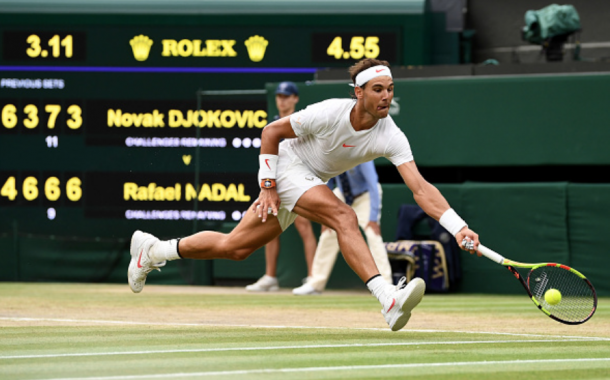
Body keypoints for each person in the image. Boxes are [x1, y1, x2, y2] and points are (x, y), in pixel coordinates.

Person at [128, 58, 481, 332]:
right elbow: (270, 132)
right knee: (345, 216)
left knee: (235, 247)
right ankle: (387, 299)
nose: (386, 96)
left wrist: (457, 226)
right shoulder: (328, 112)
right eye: (377, 89)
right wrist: (267, 186)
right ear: (358, 92)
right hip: (286, 167)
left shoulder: (391, 135)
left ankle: (154, 250)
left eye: (389, 88)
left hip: (311, 178)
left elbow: (420, 188)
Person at [245, 81, 318, 291]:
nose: (282, 100)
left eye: (287, 96)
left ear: (295, 99)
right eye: (279, 96)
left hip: (299, 182)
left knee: (304, 227)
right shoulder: (273, 124)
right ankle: (270, 277)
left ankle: (313, 277)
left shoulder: (302, 121)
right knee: (269, 228)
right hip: (274, 184)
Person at [293, 161, 393, 295]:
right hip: (342, 195)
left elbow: (373, 183)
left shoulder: (362, 155)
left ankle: (386, 284)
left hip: (366, 196)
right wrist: (324, 214)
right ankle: (315, 283)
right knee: (327, 235)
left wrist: (373, 218)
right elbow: (326, 184)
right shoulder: (332, 154)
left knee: (372, 234)